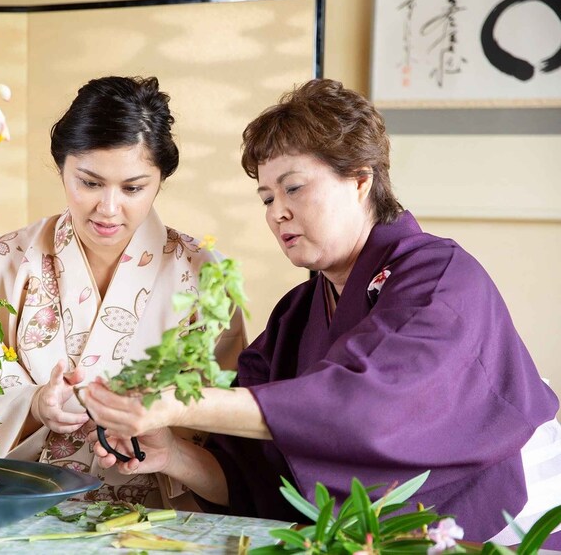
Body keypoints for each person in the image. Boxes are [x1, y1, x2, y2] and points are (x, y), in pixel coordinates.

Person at [82, 78, 561, 545]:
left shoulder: (440, 277)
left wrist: (179, 401)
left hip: (503, 520)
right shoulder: (296, 312)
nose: (276, 212)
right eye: (267, 198)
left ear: (359, 180)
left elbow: (370, 406)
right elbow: (258, 482)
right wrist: (174, 457)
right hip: (377, 537)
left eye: (293, 188)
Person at [0, 75, 246, 508]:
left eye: (133, 188)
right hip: (19, 510)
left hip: (157, 525)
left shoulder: (202, 275)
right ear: (61, 166)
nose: (109, 208)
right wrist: (35, 404)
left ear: (160, 180)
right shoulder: (1, 263)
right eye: (89, 182)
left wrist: (165, 443)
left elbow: (229, 434)